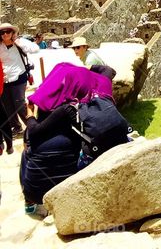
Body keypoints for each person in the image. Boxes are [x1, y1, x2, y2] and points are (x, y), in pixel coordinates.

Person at [20, 64, 112, 213]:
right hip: (67, 187)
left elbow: (33, 131)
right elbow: (108, 71)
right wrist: (89, 69)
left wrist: (30, 114)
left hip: (35, 192)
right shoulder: (83, 112)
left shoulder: (51, 114)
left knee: (26, 154)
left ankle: (29, 202)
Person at [0, 22, 39, 154]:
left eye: (7, 31)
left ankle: (31, 126)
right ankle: (17, 128)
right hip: (4, 79)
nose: (5, 34)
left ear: (12, 32)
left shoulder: (19, 43)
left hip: (19, 76)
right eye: (2, 32)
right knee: (7, 106)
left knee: (19, 103)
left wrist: (18, 41)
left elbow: (35, 48)